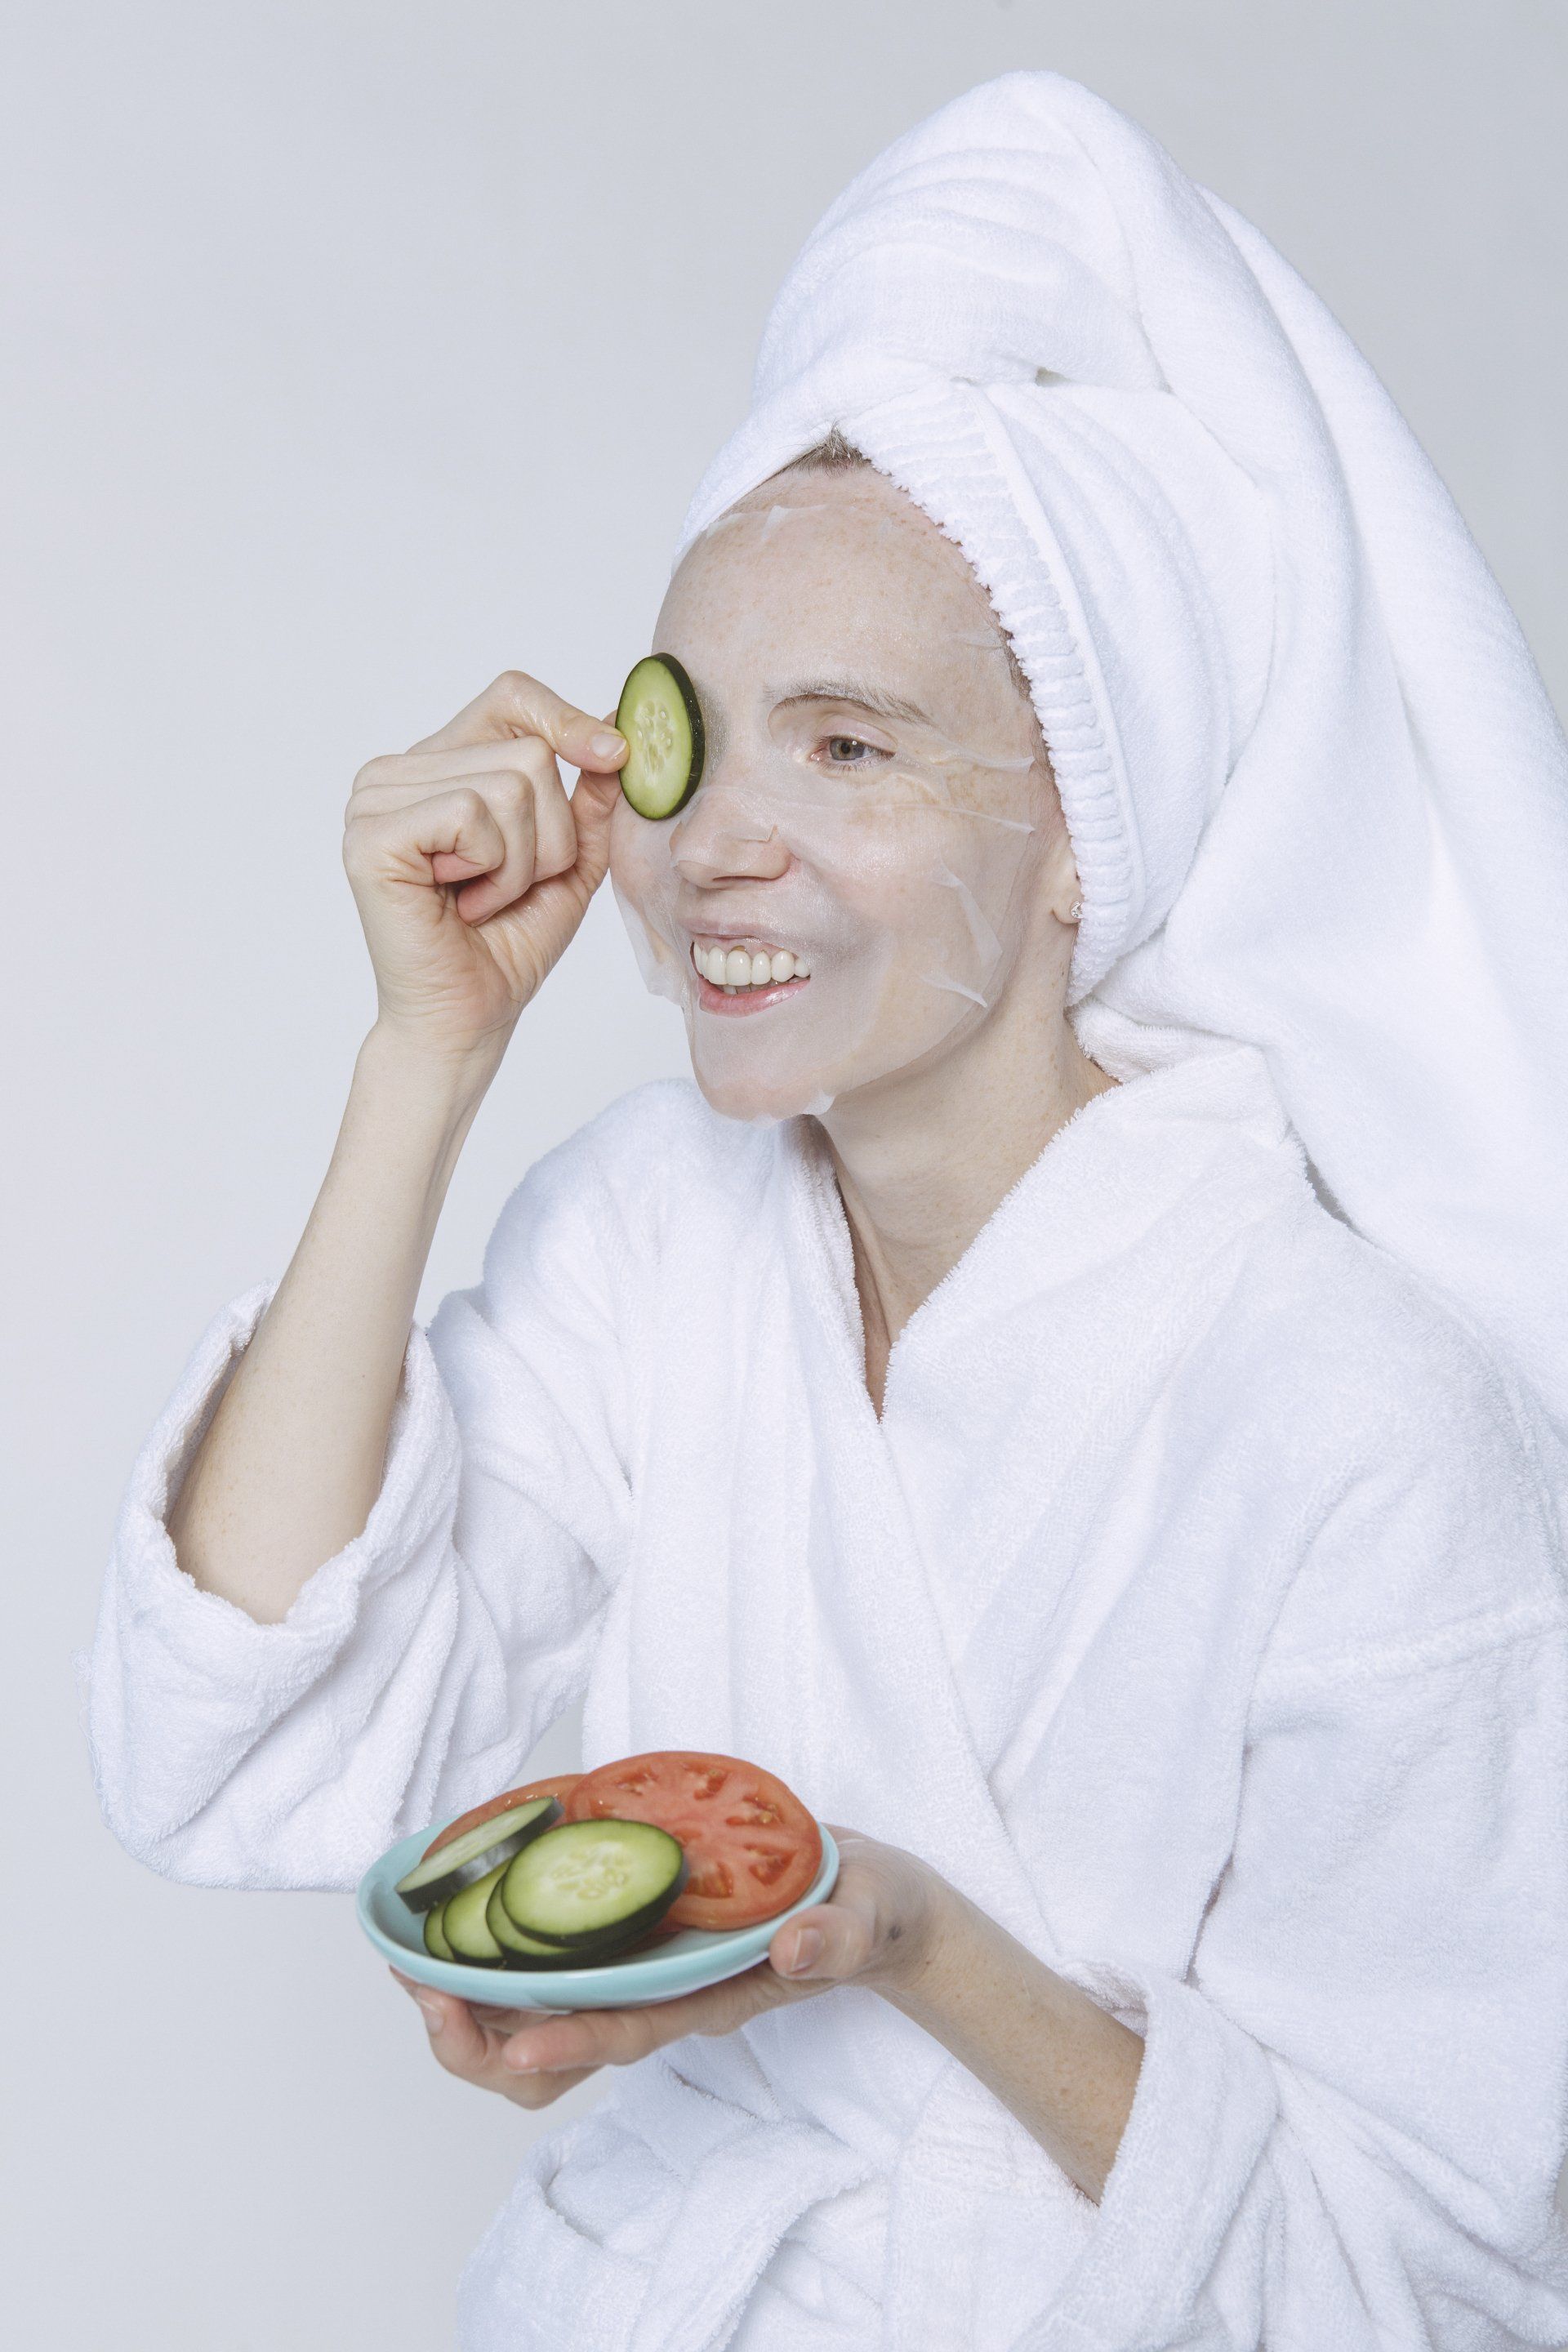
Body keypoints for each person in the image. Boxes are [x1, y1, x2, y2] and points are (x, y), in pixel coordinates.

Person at [82, 69, 1568, 2352]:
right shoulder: (660, 1241)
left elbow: (1435, 2278)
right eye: (695, 733)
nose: (713, 847)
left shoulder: (1355, 1419)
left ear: (1090, 833)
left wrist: (911, 1942)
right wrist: (426, 1064)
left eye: (851, 746)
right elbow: (246, 1741)